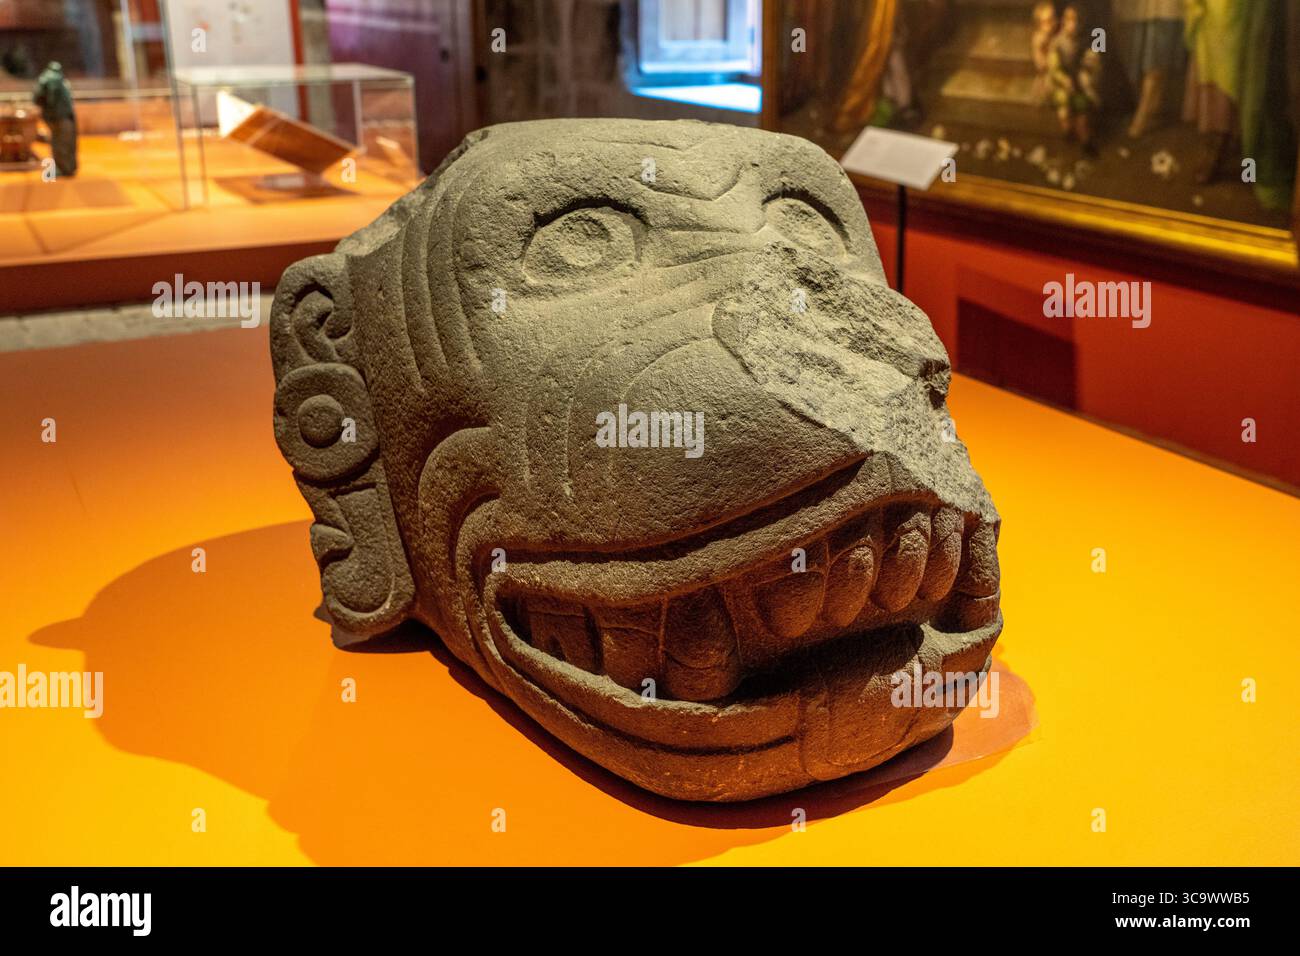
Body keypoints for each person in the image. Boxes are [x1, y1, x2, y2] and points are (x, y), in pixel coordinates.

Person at [33, 61, 77, 178]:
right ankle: (67, 168)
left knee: (59, 143)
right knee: (64, 143)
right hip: (65, 116)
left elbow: (37, 98)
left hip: (56, 116)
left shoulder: (46, 78)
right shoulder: (59, 80)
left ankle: (63, 169)